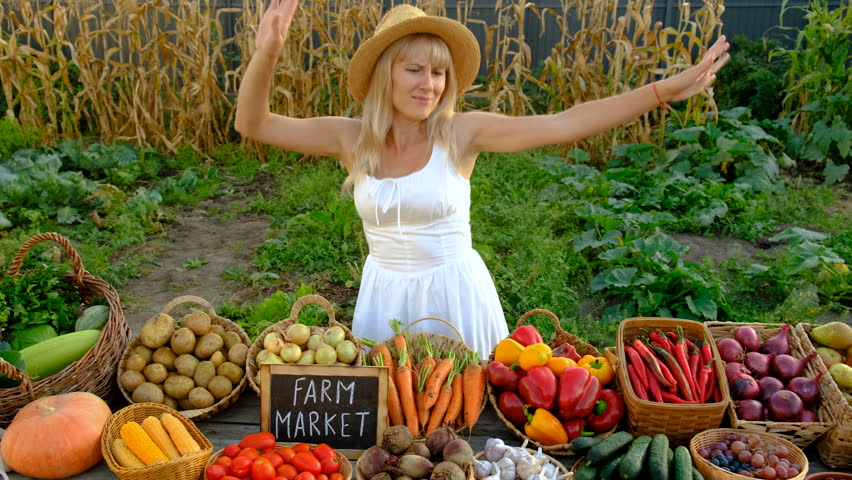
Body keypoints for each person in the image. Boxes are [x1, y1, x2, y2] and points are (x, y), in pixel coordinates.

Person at [235, 0, 730, 357]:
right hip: (383, 296)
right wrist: (268, 53)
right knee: (394, 427)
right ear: (386, 73)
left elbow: (564, 123)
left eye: (439, 74)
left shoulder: (460, 134)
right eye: (414, 70)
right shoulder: (351, 140)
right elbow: (253, 124)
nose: (429, 86)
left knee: (467, 419)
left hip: (456, 295)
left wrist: (664, 90)